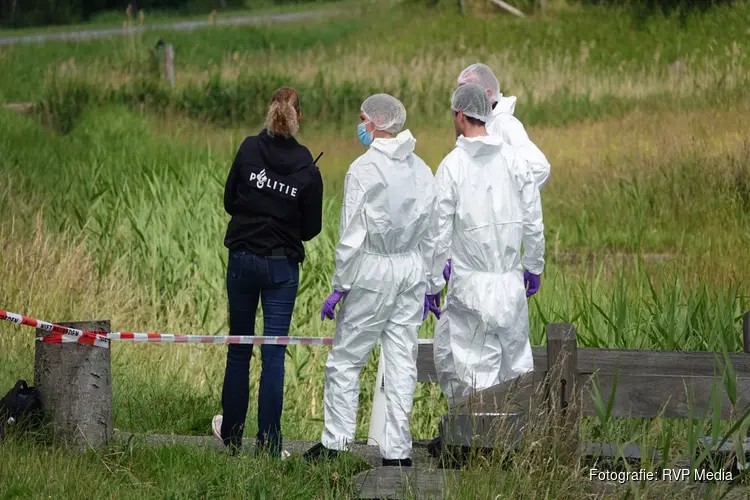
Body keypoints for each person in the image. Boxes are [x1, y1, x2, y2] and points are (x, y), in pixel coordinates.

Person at [303, 94, 439, 467]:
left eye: (363, 118)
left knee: (346, 359)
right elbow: (432, 231)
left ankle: (336, 444)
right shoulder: (421, 168)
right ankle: (397, 451)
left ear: (376, 123)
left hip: (373, 271)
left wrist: (340, 286)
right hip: (410, 269)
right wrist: (430, 283)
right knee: (401, 361)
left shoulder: (363, 169)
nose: (360, 125)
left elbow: (352, 236)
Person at [212, 86, 324, 458]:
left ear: (270, 110)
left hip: (242, 259)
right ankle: (270, 445)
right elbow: (310, 229)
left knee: (239, 350)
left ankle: (231, 438)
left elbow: (230, 201)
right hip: (280, 267)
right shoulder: (307, 166)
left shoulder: (248, 149)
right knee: (274, 355)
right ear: (299, 117)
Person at [427, 82, 545, 411]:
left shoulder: (451, 166)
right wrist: (534, 265)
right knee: (517, 371)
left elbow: (438, 234)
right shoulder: (515, 160)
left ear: (459, 115)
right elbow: (533, 219)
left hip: (470, 288)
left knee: (474, 380)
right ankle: (518, 438)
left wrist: (432, 283)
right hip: (510, 284)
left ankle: (480, 440)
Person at [457, 63, 550, 190]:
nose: (460, 101)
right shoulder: (476, 125)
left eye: (467, 93)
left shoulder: (505, 124)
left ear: (488, 94)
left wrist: (508, 196)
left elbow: (540, 168)